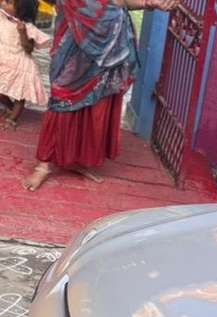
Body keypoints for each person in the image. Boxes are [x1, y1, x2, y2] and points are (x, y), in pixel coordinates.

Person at [22, 0, 178, 191]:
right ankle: (43, 164)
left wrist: (149, 3)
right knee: (62, 98)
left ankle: (76, 158)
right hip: (74, 41)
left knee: (96, 103)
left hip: (108, 41)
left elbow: (122, 2)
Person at [0, 0, 48, 128]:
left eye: (9, 2)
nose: (4, 3)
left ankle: (13, 119)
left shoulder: (27, 27)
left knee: (19, 96)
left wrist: (22, 33)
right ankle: (10, 107)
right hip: (4, 59)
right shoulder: (2, 18)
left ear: (21, 11)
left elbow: (28, 49)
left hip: (21, 64)